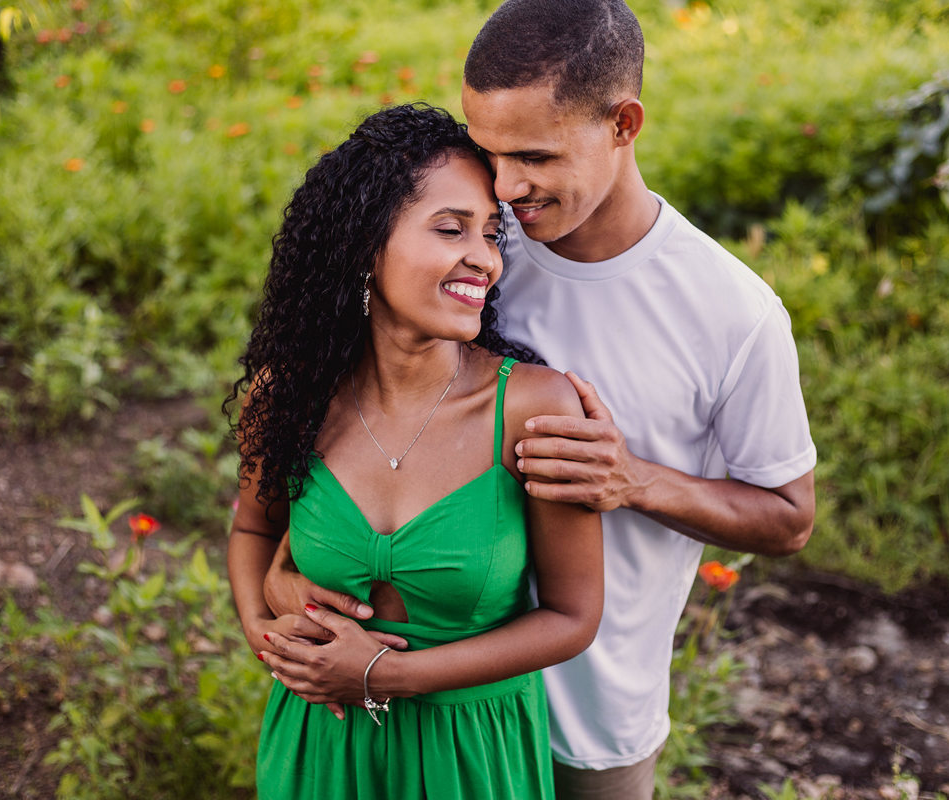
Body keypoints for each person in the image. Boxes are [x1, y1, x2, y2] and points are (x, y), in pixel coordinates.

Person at [262, 2, 817, 799]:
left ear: (623, 123)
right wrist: (289, 572)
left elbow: (790, 517)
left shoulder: (731, 311)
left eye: (533, 155)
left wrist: (638, 481)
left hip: (587, 721)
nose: (508, 185)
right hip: (403, 705)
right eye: (489, 151)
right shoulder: (477, 243)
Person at [225, 103, 602, 800]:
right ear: (366, 243)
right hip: (320, 745)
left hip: (470, 756)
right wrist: (263, 632)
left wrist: (385, 675)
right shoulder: (292, 397)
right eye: (451, 228)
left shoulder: (533, 409)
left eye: (491, 234)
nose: (484, 259)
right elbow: (253, 529)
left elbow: (574, 617)